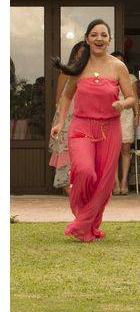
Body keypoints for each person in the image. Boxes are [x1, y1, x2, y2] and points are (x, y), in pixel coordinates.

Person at [49, 20, 136, 241]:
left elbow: (132, 97)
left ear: (109, 40)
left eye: (104, 35)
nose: (99, 39)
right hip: (81, 127)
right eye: (95, 35)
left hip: (110, 130)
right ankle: (82, 217)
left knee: (104, 184)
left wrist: (122, 105)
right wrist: (59, 123)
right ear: (87, 39)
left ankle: (86, 225)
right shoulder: (79, 66)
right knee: (85, 171)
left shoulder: (118, 66)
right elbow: (67, 96)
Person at [49, 41, 85, 196]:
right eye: (80, 51)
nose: (83, 54)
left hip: (84, 118)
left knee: (82, 153)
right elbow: (58, 99)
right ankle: (67, 187)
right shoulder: (66, 73)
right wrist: (61, 120)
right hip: (66, 118)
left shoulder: (91, 72)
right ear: (75, 53)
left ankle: (81, 188)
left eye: (86, 52)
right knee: (65, 152)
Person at [111, 51, 138, 195]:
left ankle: (124, 181)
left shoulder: (130, 77)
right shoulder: (107, 76)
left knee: (126, 149)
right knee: (113, 150)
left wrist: (137, 114)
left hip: (126, 114)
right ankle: (115, 182)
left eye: (120, 60)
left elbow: (135, 97)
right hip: (111, 114)